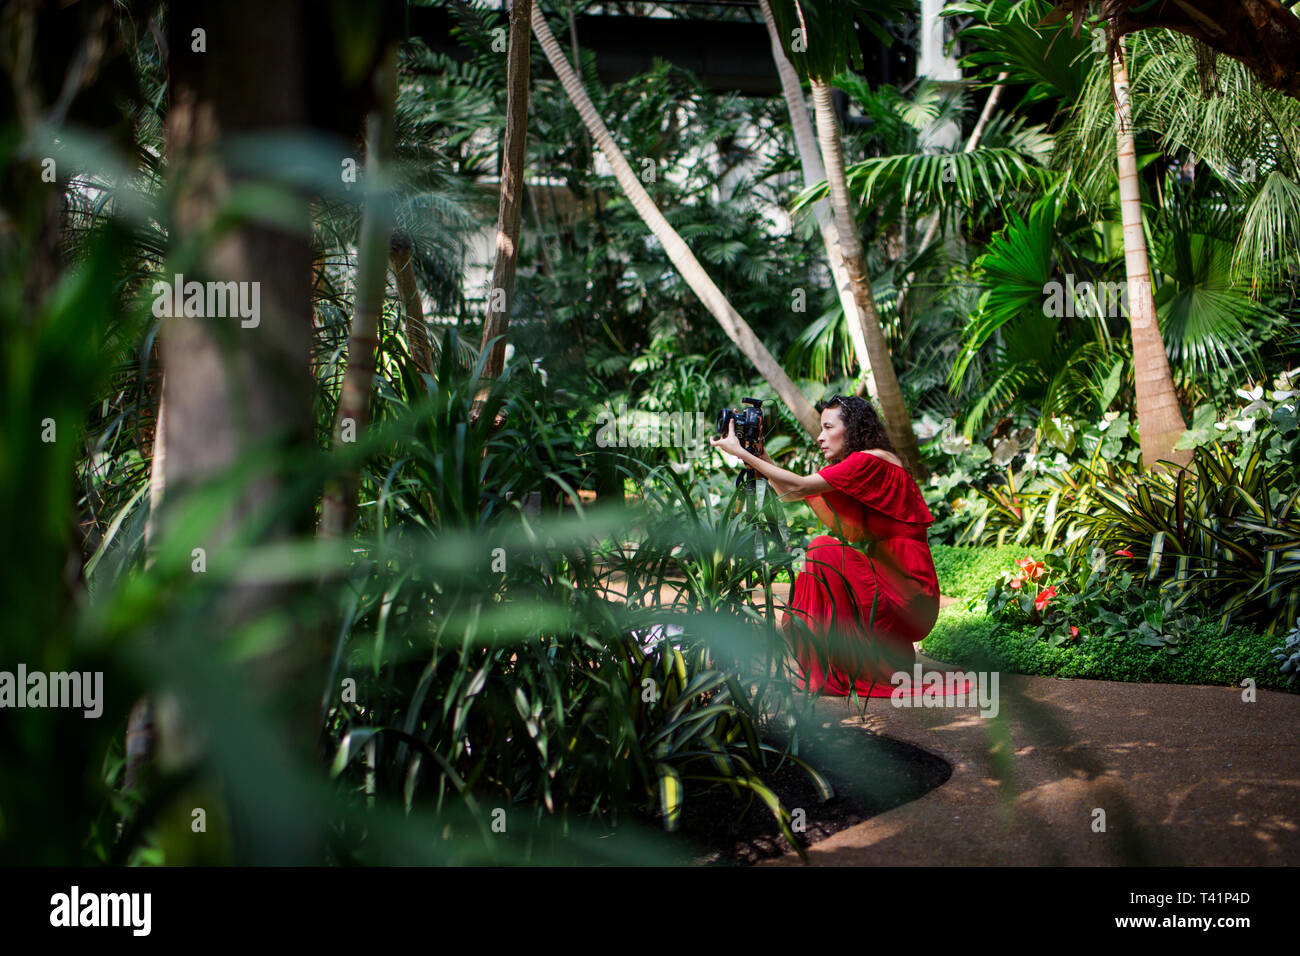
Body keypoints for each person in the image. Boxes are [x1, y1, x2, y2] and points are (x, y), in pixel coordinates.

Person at [709, 395, 940, 697]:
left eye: (827, 427)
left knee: (823, 549)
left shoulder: (869, 460)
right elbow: (798, 495)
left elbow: (801, 486)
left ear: (853, 428)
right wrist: (760, 456)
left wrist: (742, 454)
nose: (819, 437)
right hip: (894, 573)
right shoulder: (870, 461)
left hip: (908, 584)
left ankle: (840, 665)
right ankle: (875, 660)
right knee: (824, 549)